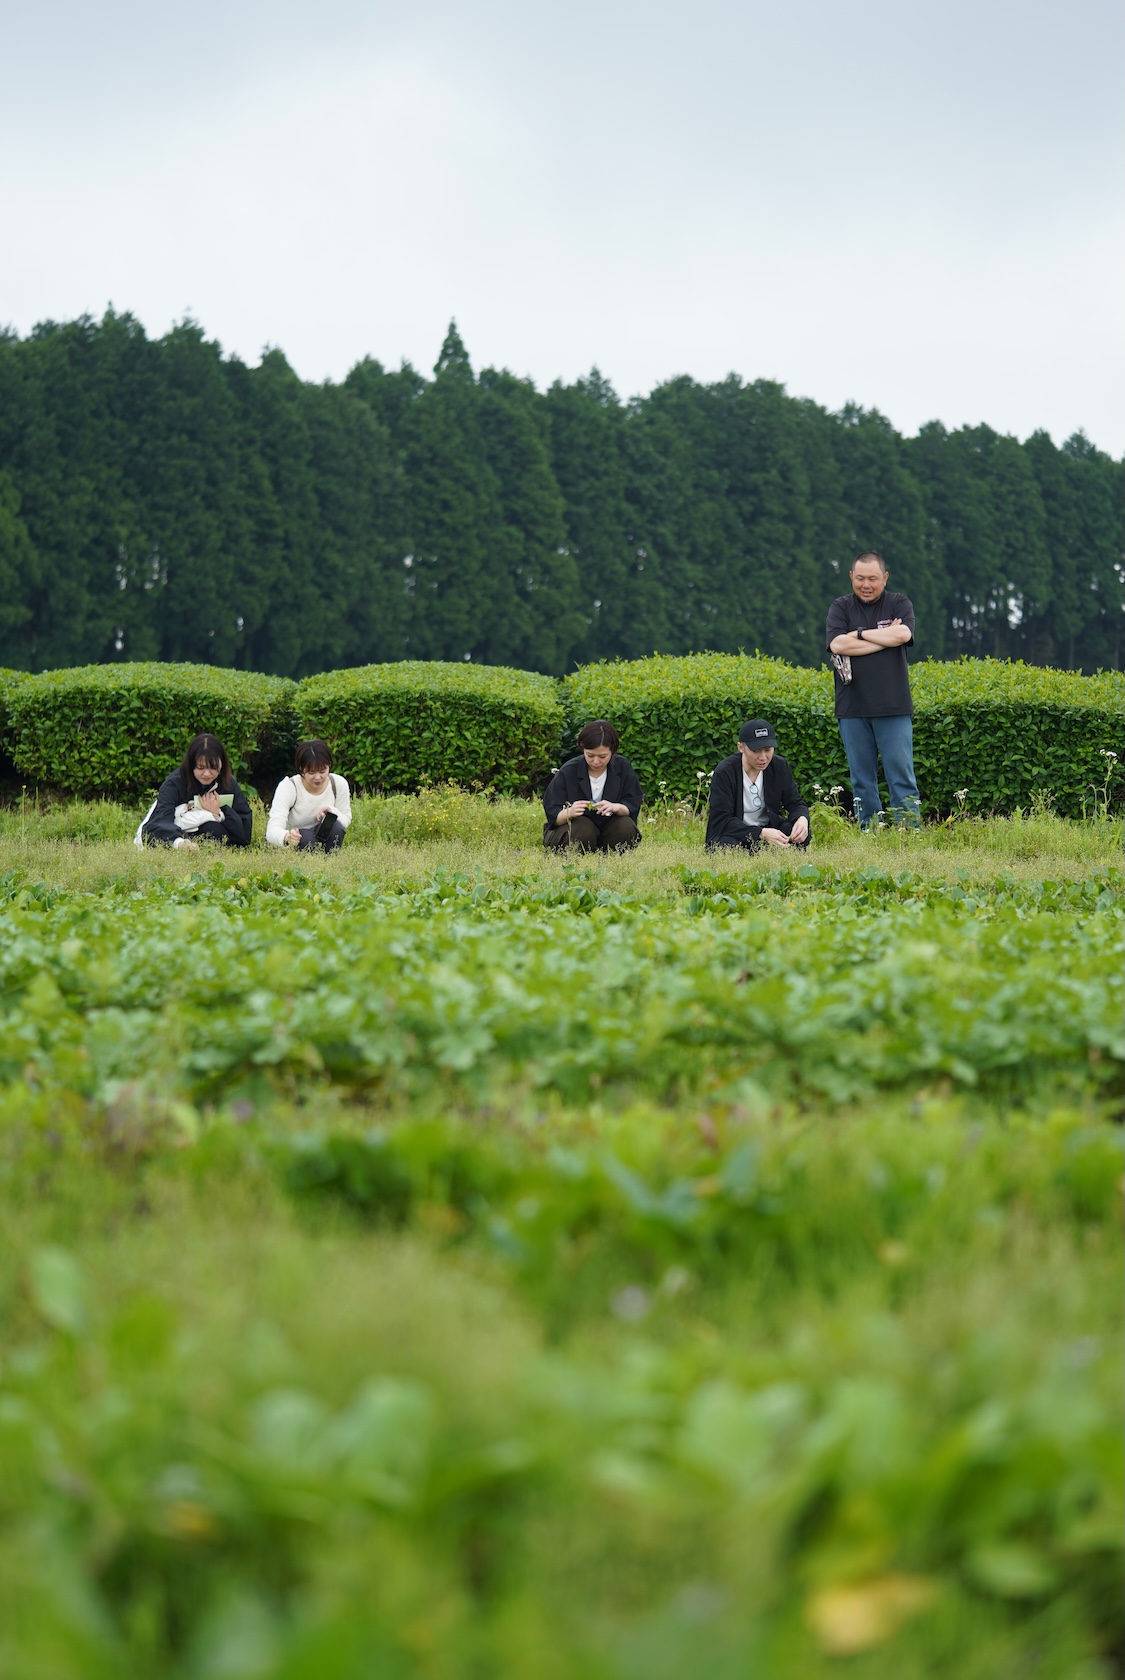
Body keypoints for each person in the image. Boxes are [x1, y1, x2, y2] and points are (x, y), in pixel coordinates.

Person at [826, 550, 921, 828]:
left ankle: (908, 832)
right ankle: (869, 831)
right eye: (859, 578)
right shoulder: (840, 607)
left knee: (900, 774)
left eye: (873, 578)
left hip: (893, 707)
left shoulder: (899, 603)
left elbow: (903, 634)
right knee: (861, 779)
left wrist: (856, 634)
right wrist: (884, 638)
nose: (865, 585)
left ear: (885, 578)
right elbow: (837, 645)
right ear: (850, 577)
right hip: (852, 708)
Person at [706, 720, 810, 852]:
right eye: (756, 751)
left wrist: (802, 819)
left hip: (769, 828)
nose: (763, 757)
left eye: (768, 750)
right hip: (736, 833)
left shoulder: (779, 766)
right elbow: (722, 821)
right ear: (741, 748)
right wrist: (761, 833)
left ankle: (768, 850)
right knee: (726, 847)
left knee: (801, 836)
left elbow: (795, 802)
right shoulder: (725, 772)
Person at [543, 720, 643, 852]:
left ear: (612, 751)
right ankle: (577, 855)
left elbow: (633, 803)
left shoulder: (623, 767)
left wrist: (616, 807)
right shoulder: (568, 771)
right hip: (576, 829)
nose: (596, 761)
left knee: (625, 826)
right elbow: (552, 814)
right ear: (582, 749)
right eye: (590, 755)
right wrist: (569, 812)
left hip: (610, 828)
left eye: (602, 756)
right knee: (583, 828)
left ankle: (612, 855)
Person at [141, 733, 253, 848]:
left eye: (213, 767)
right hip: (178, 837)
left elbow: (244, 832)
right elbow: (160, 822)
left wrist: (219, 813)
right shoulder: (174, 784)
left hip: (211, 838)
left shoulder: (227, 783)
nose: (207, 774)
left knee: (213, 829)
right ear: (191, 765)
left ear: (222, 764)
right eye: (201, 768)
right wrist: (180, 843)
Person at [266, 739, 352, 851]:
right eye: (311, 772)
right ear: (301, 769)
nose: (317, 777)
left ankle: (331, 860)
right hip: (298, 838)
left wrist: (331, 811)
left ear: (329, 766)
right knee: (307, 839)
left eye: (322, 771)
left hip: (323, 835)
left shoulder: (338, 784)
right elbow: (272, 830)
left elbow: (345, 820)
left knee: (336, 827)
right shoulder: (289, 787)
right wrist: (287, 836)